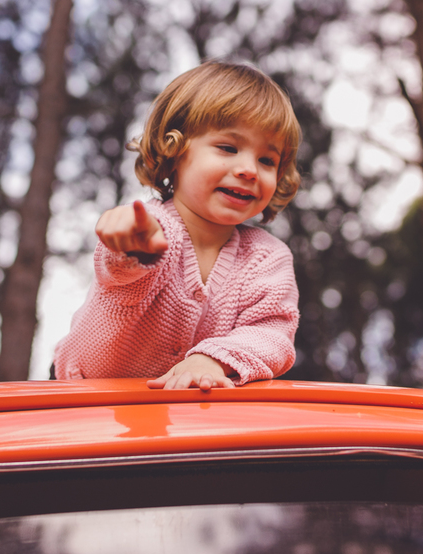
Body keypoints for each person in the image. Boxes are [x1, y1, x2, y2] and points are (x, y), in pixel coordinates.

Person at [53, 61, 301, 390]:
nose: (249, 169)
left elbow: (272, 334)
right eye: (228, 148)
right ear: (175, 149)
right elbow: (120, 270)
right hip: (87, 400)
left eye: (267, 160)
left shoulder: (268, 258)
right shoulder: (153, 229)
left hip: (186, 426)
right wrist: (131, 249)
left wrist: (213, 359)